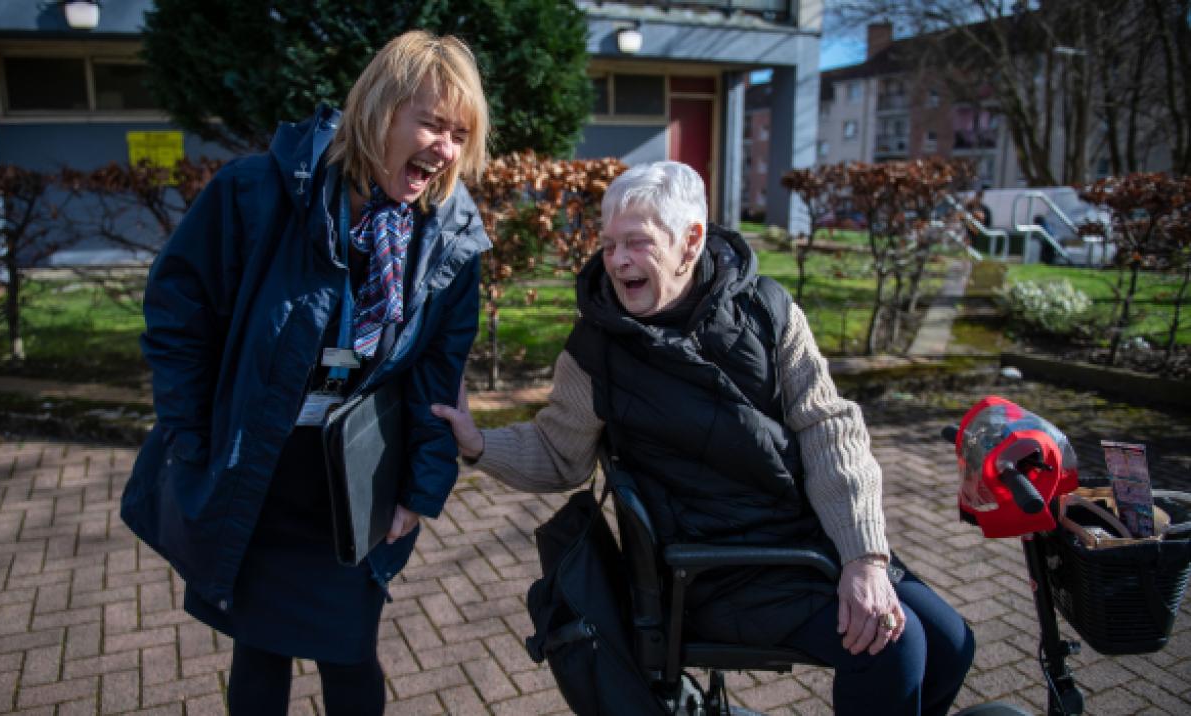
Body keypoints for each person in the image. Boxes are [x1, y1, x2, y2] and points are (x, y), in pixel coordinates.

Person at [432, 161, 975, 715]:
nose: (617, 261)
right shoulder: (595, 350)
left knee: (953, 643)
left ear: (691, 242)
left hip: (804, 542)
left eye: (637, 243)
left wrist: (863, 557)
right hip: (710, 572)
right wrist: (478, 445)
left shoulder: (767, 309)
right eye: (609, 243)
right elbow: (559, 454)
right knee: (892, 646)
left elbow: (827, 425)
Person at [122, 31, 490, 715]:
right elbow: (178, 320)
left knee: (349, 654)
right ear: (380, 109)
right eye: (432, 122)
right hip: (253, 476)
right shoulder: (255, 195)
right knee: (257, 653)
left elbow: (439, 375)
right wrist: (189, 439)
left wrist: (420, 487)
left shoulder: (450, 241)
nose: (444, 147)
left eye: (459, 133)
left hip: (350, 490)